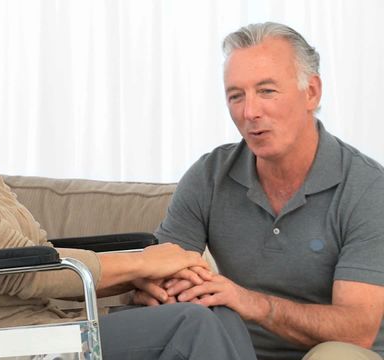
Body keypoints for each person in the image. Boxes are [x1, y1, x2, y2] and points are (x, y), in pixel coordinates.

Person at [0, 1, 257, 359]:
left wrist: (140, 276)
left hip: (46, 325)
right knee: (191, 324)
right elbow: (25, 272)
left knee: (215, 309)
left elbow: (34, 253)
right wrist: (147, 261)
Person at [135, 22, 384, 360]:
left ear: (312, 92)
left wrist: (252, 303)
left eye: (266, 91)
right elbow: (156, 275)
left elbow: (357, 331)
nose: (249, 112)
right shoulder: (209, 176)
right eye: (236, 96)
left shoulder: (368, 187)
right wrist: (150, 290)